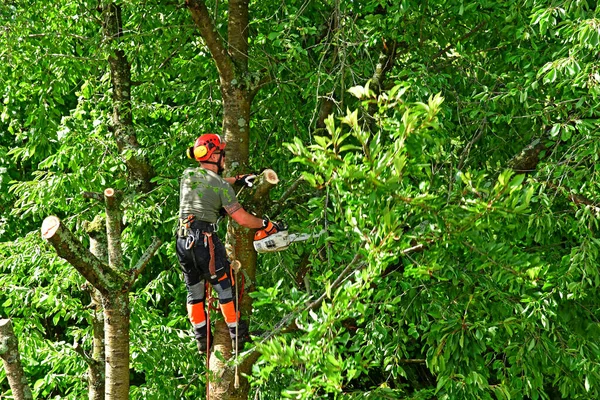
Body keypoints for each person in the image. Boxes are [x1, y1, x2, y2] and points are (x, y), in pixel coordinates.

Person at [176, 133, 284, 354]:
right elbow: (242, 218)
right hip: (204, 242)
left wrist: (238, 180)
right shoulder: (220, 187)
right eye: (221, 154)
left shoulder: (188, 176)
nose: (224, 158)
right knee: (224, 286)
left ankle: (202, 340)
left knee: (193, 291)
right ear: (214, 155)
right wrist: (265, 223)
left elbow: (211, 182)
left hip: (182, 241)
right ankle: (237, 335)